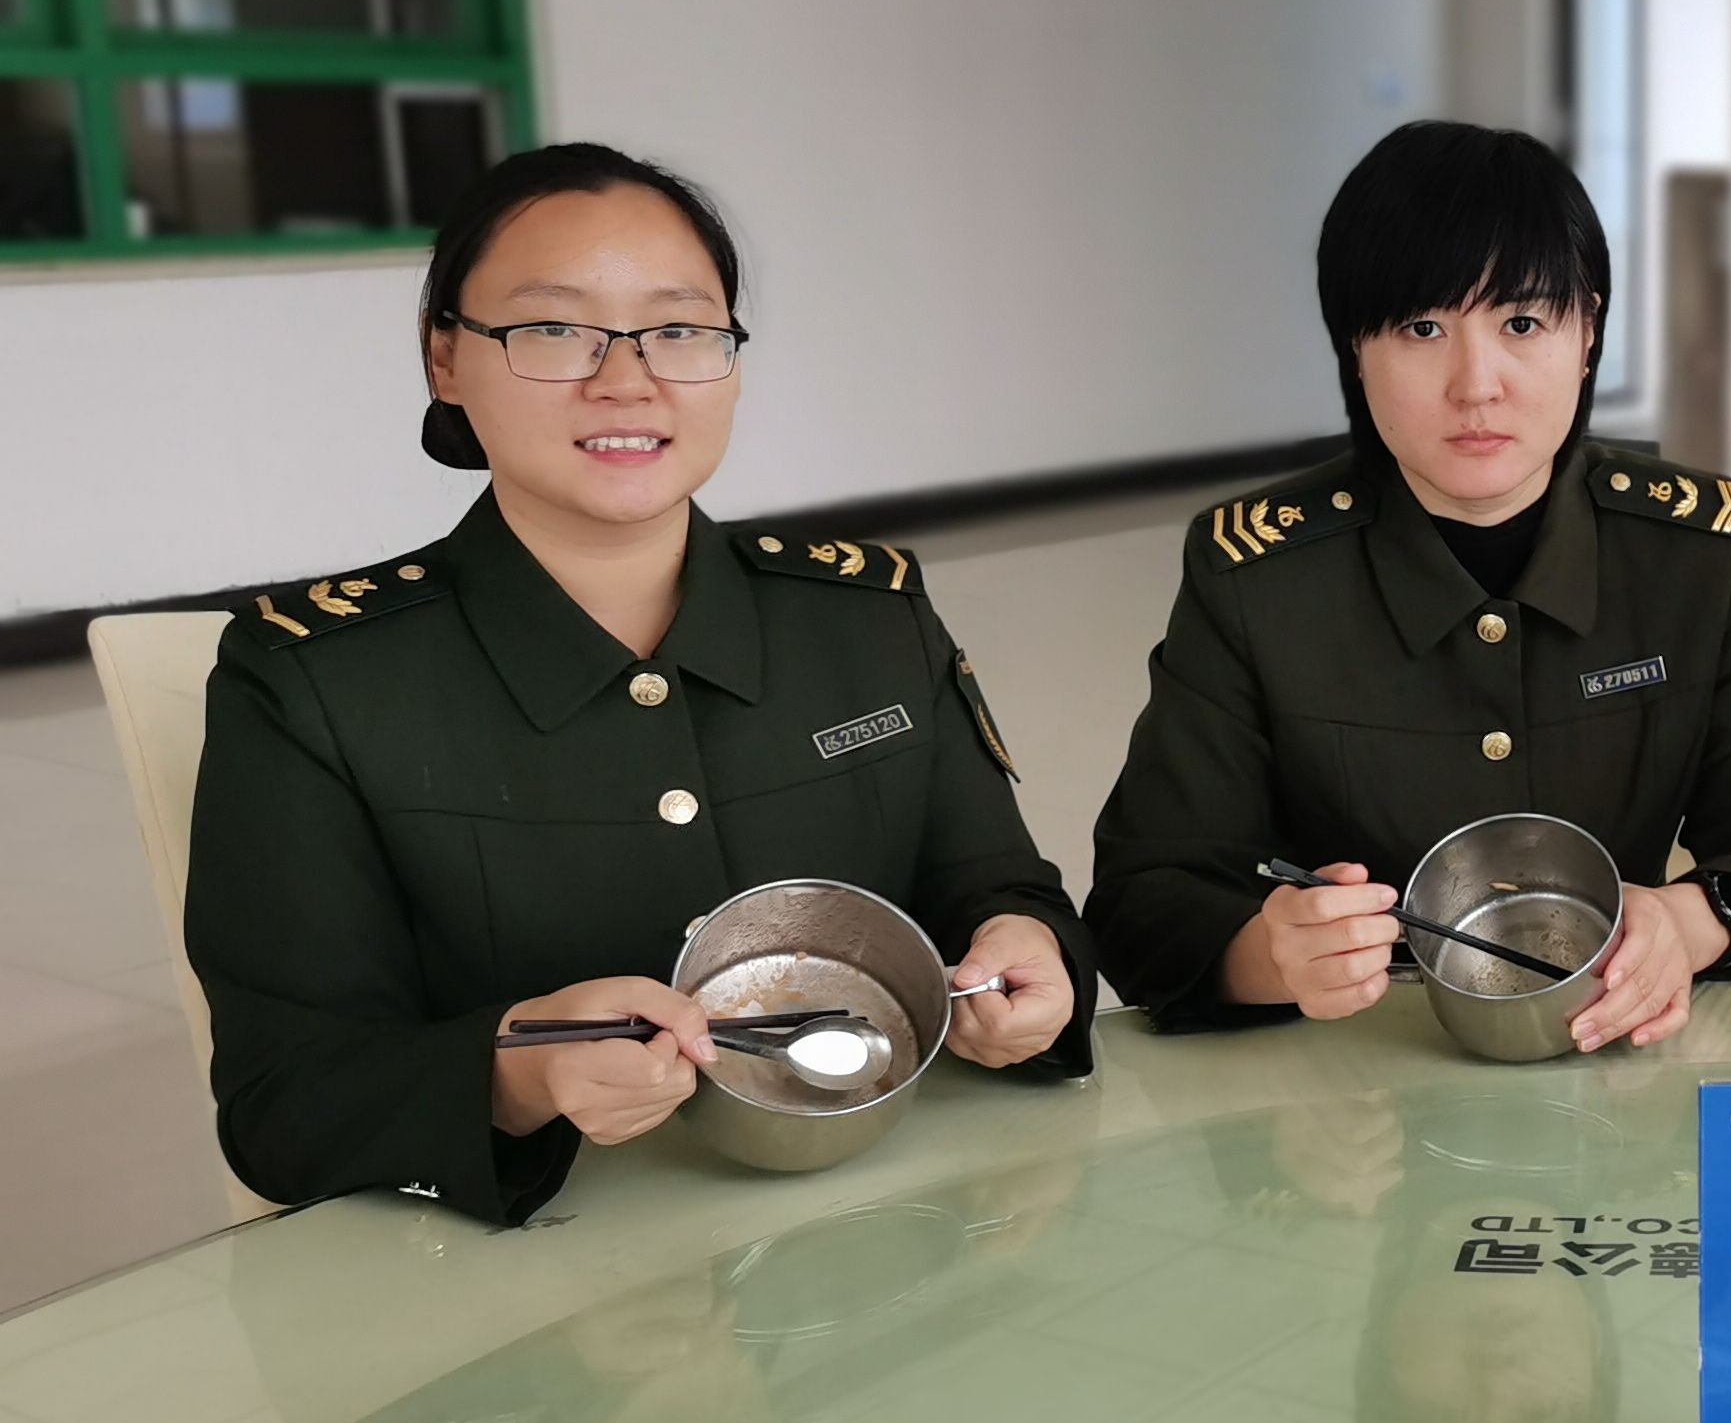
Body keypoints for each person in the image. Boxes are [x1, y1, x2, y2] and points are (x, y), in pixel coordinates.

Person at [187, 143, 1094, 1226]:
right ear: (446, 358)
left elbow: (1004, 897)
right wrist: (515, 1077)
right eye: (553, 329)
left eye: (679, 329)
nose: (628, 380)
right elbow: (283, 1106)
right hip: (537, 1275)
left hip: (897, 1218)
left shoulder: (866, 616)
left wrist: (1028, 960)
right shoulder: (315, 679)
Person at [1085, 119, 1731, 1048]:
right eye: (1423, 328)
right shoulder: (1255, 574)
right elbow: (1144, 894)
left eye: (1522, 324)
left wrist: (1684, 922)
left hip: (1619, 1046)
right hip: (1348, 1079)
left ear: (1588, 333)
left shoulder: (1698, 553)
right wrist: (1273, 955)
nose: (1476, 384)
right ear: (1354, 347)